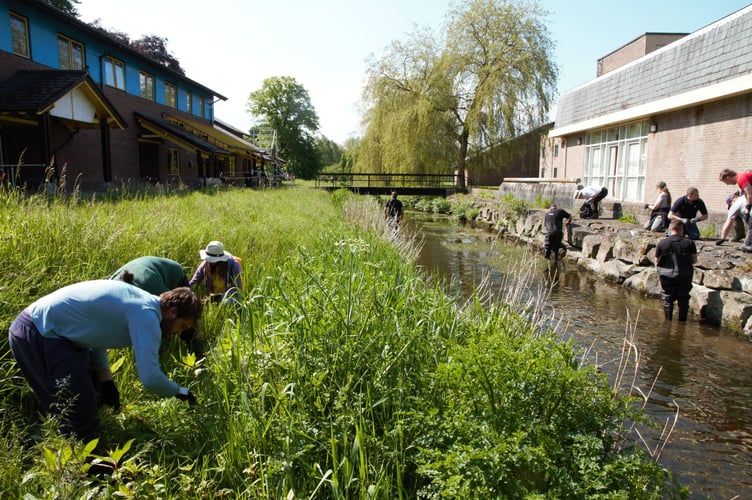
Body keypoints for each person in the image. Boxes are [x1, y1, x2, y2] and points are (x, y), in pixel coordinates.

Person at [7, 280, 202, 442]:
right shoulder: (146, 315)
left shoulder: (141, 302)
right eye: (182, 326)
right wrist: (180, 392)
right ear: (173, 311)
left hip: (53, 332)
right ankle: (80, 474)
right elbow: (150, 377)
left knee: (91, 396)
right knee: (79, 413)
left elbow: (95, 334)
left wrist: (105, 380)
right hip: (39, 332)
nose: (178, 333)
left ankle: (76, 457)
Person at [110, 256, 203, 358]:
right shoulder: (150, 300)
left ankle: (199, 355)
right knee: (168, 322)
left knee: (187, 319)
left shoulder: (161, 299)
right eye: (182, 327)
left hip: (172, 273)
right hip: (142, 273)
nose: (180, 332)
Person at [655, 219, 697, 321]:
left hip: (666, 274)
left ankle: (668, 320)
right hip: (684, 273)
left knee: (667, 297)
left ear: (670, 228)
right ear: (682, 229)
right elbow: (694, 260)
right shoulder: (689, 243)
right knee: (683, 297)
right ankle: (682, 321)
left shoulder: (662, 243)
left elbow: (657, 260)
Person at [719, 168, 752, 251]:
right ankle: (748, 244)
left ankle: (749, 245)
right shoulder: (742, 178)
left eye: (725, 182)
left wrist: (748, 208)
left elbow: (749, 193)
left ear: (728, 177)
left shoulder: (741, 178)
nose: (727, 184)